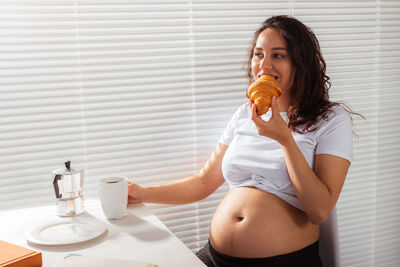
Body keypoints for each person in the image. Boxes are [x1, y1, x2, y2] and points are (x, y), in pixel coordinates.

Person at [128, 15, 355, 267]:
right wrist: (142, 193)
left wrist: (286, 141)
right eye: (258, 54)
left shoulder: (331, 119)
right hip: (215, 257)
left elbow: (319, 210)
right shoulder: (245, 114)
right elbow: (203, 182)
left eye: (278, 55)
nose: (264, 65)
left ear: (301, 63)